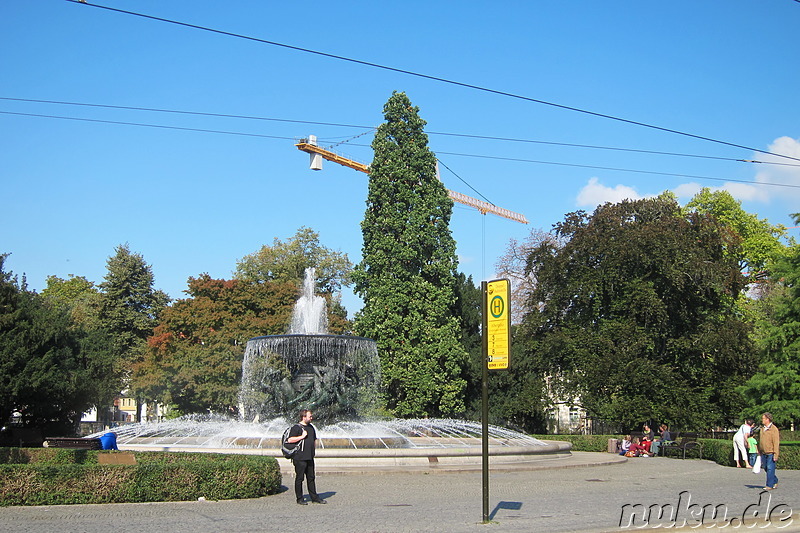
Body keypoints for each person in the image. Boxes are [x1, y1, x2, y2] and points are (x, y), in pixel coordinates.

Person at [286, 409, 326, 504]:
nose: (311, 418)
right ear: (304, 417)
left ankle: (314, 497)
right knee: (300, 478)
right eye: (310, 416)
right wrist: (302, 436)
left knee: (311, 478)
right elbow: (290, 440)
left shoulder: (311, 427)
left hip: (309, 457)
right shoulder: (296, 428)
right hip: (299, 457)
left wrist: (313, 451)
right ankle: (299, 499)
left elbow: (313, 440)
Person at [758, 412, 780, 490]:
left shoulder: (774, 429)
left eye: (763, 418)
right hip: (763, 452)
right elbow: (760, 440)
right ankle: (775, 480)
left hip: (770, 452)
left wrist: (776, 454)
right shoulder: (762, 429)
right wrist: (759, 450)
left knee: (770, 468)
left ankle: (769, 485)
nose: (762, 420)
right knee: (765, 467)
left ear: (768, 419)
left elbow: (776, 442)